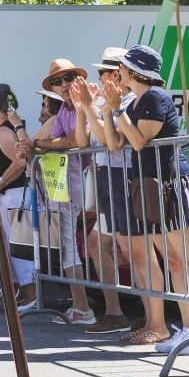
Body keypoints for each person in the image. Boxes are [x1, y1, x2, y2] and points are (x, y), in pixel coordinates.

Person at [93, 45, 189, 355]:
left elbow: (137, 142)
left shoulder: (154, 98)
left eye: (121, 66)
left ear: (134, 70)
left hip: (173, 183)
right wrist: (109, 110)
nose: (116, 71)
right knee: (175, 261)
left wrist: (118, 110)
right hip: (154, 187)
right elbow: (113, 144)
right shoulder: (133, 101)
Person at [75, 47, 138, 334]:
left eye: (103, 70)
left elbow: (108, 139)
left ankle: (150, 318)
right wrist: (81, 109)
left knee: (134, 249)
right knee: (97, 243)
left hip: (124, 177)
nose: (99, 76)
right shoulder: (103, 99)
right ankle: (115, 312)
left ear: (117, 73)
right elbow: (83, 141)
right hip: (105, 177)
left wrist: (89, 106)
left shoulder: (130, 99)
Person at [27, 60, 93, 325]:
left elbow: (74, 141)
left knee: (70, 250)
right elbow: (53, 143)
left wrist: (38, 144)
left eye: (68, 78)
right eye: (57, 81)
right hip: (64, 186)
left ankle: (84, 309)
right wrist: (42, 145)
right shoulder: (66, 109)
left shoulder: (80, 107)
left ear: (78, 79)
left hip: (74, 186)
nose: (63, 85)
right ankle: (81, 307)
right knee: (69, 249)